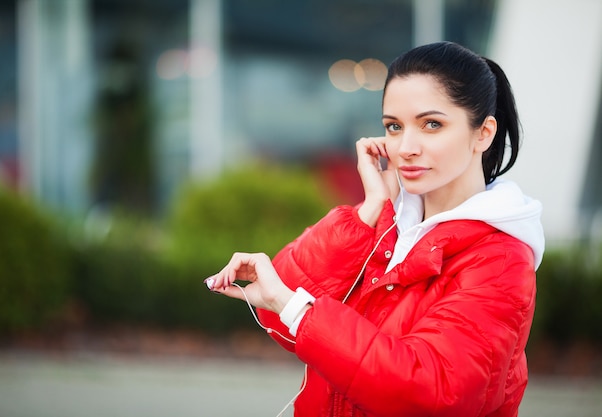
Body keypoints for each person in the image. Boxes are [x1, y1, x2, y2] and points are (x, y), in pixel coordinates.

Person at [205, 41, 544, 417]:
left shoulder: (499, 261)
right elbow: (275, 317)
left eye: (432, 124)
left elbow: (428, 393)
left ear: (483, 133)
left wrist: (295, 308)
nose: (406, 147)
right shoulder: (385, 225)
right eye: (394, 127)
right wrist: (370, 209)